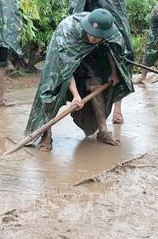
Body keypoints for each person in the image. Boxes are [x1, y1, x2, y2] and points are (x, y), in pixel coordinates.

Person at [23, 9, 133, 151]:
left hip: (89, 54)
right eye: (92, 35)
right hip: (62, 55)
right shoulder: (68, 30)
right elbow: (66, 69)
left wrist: (113, 72)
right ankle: (46, 134)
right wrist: (75, 95)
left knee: (96, 84)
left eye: (98, 37)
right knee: (51, 93)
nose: (94, 38)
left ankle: (103, 131)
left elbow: (110, 49)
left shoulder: (110, 31)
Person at [69, 0, 133, 124]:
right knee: (87, 74)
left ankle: (117, 110)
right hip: (87, 36)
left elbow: (120, 16)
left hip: (110, 35)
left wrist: (116, 38)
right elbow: (74, 10)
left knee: (119, 68)